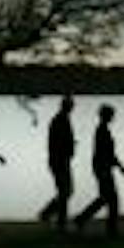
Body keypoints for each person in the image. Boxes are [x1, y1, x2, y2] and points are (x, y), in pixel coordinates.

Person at [74, 104, 124, 237]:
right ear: (106, 116)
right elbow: (107, 153)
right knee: (112, 199)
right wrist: (118, 166)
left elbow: (109, 153)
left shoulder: (102, 130)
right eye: (111, 115)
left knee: (105, 198)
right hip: (102, 168)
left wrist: (118, 165)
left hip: (102, 167)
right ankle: (111, 229)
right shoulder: (102, 131)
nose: (113, 117)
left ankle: (82, 219)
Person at [37, 96, 77, 230]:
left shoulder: (62, 119)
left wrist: (71, 145)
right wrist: (69, 147)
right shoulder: (60, 120)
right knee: (65, 191)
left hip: (60, 160)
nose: (72, 108)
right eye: (71, 106)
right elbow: (57, 142)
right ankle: (58, 220)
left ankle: (49, 214)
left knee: (65, 191)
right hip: (59, 160)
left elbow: (59, 140)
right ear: (66, 106)